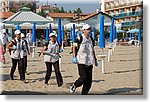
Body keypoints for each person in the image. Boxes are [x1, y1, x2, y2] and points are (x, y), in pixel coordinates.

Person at [69, 24, 98, 95]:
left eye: (89, 29)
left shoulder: (91, 39)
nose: (89, 31)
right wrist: (74, 56)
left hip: (90, 61)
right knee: (83, 78)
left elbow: (92, 49)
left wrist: (95, 59)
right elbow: (74, 46)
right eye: (87, 29)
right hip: (81, 61)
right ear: (83, 30)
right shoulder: (79, 38)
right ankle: (74, 85)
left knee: (89, 82)